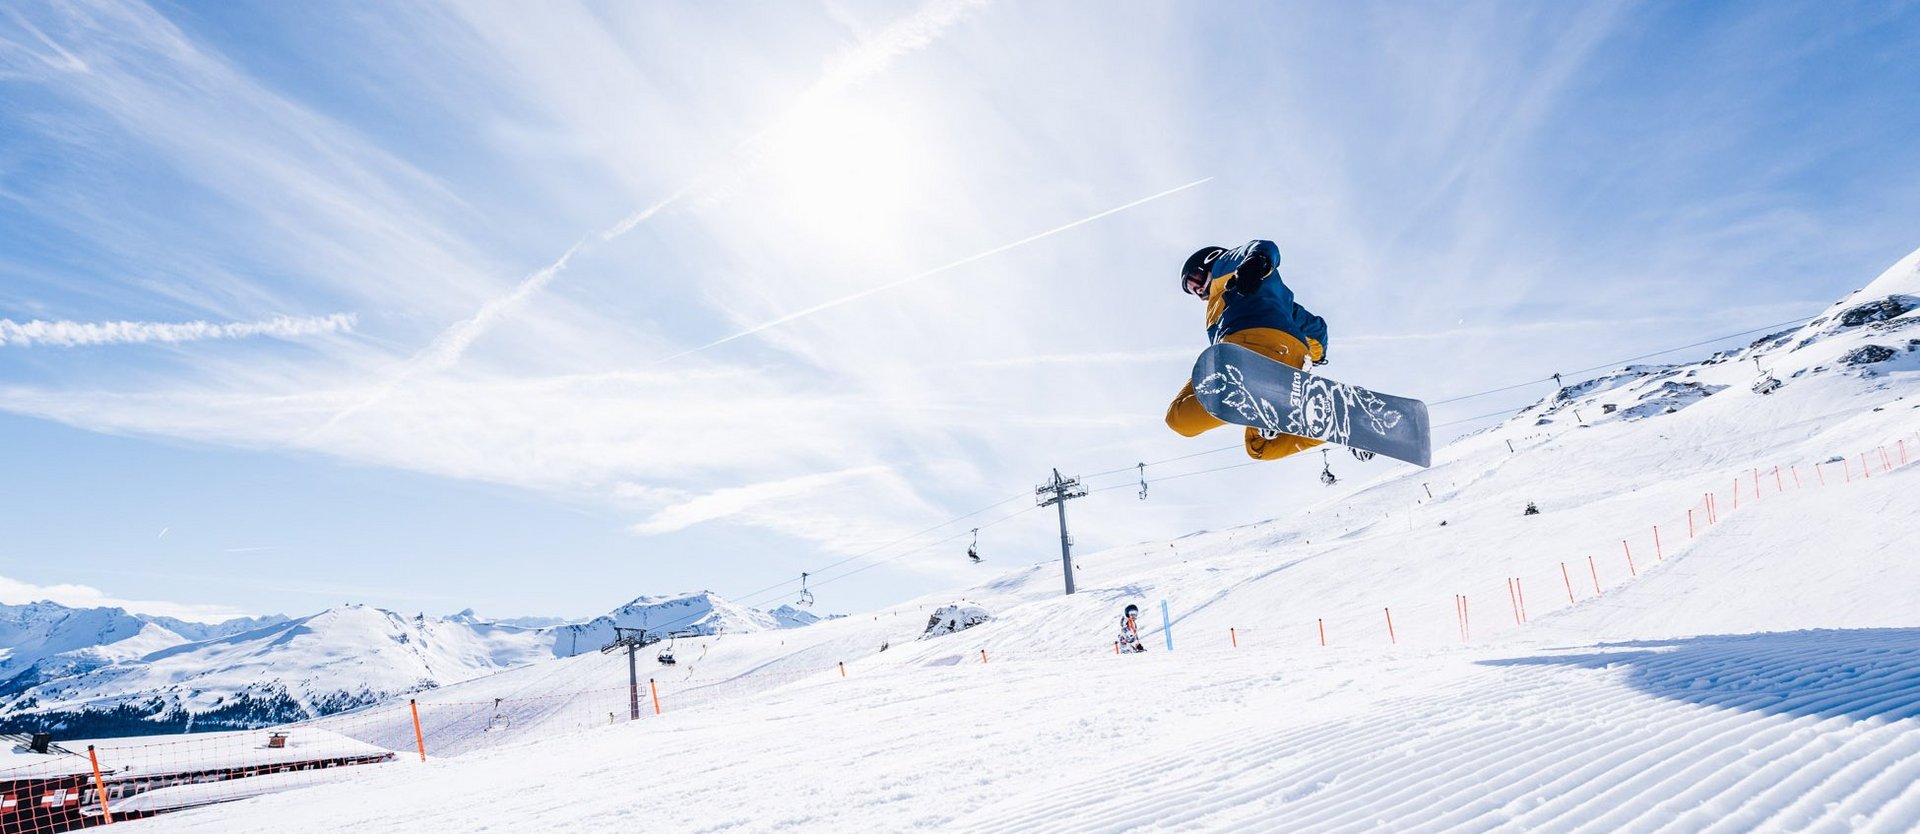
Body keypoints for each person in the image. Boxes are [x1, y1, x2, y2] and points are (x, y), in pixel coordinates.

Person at [1166, 240, 1348, 461]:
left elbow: (1264, 247)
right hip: (1293, 361)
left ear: (1209, 261)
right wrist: (1316, 356)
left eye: (1194, 279)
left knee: (1178, 418)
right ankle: (1333, 416)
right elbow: (1317, 331)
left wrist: (1256, 261)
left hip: (1249, 349)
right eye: (1192, 290)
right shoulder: (1282, 302)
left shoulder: (1225, 268)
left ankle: (1256, 393)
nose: (1198, 290)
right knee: (1259, 447)